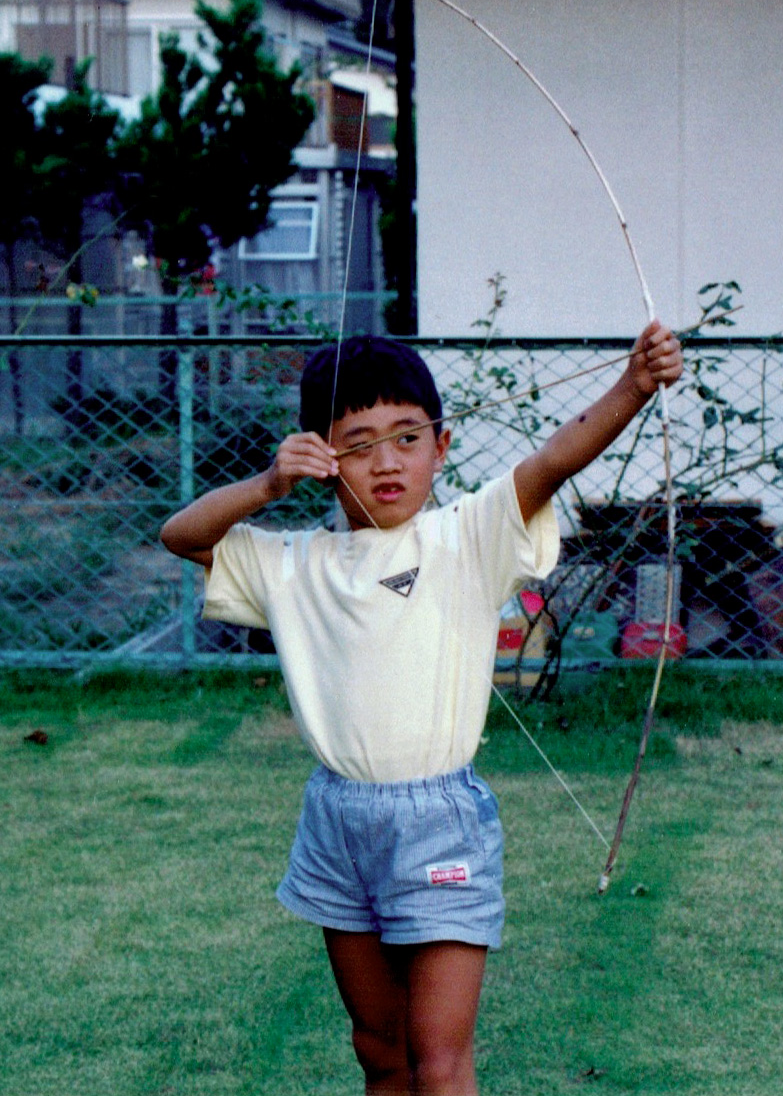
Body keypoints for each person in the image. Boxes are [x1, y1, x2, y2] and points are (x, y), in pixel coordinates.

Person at [160, 322, 682, 1095]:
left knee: (439, 1059)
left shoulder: (467, 536)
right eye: (358, 444)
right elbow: (181, 535)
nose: (386, 462)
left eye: (408, 438)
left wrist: (635, 385)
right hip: (337, 820)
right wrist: (269, 485)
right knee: (380, 1049)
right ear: (321, 457)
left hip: (439, 820)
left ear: (442, 447)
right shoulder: (292, 562)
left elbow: (554, 459)